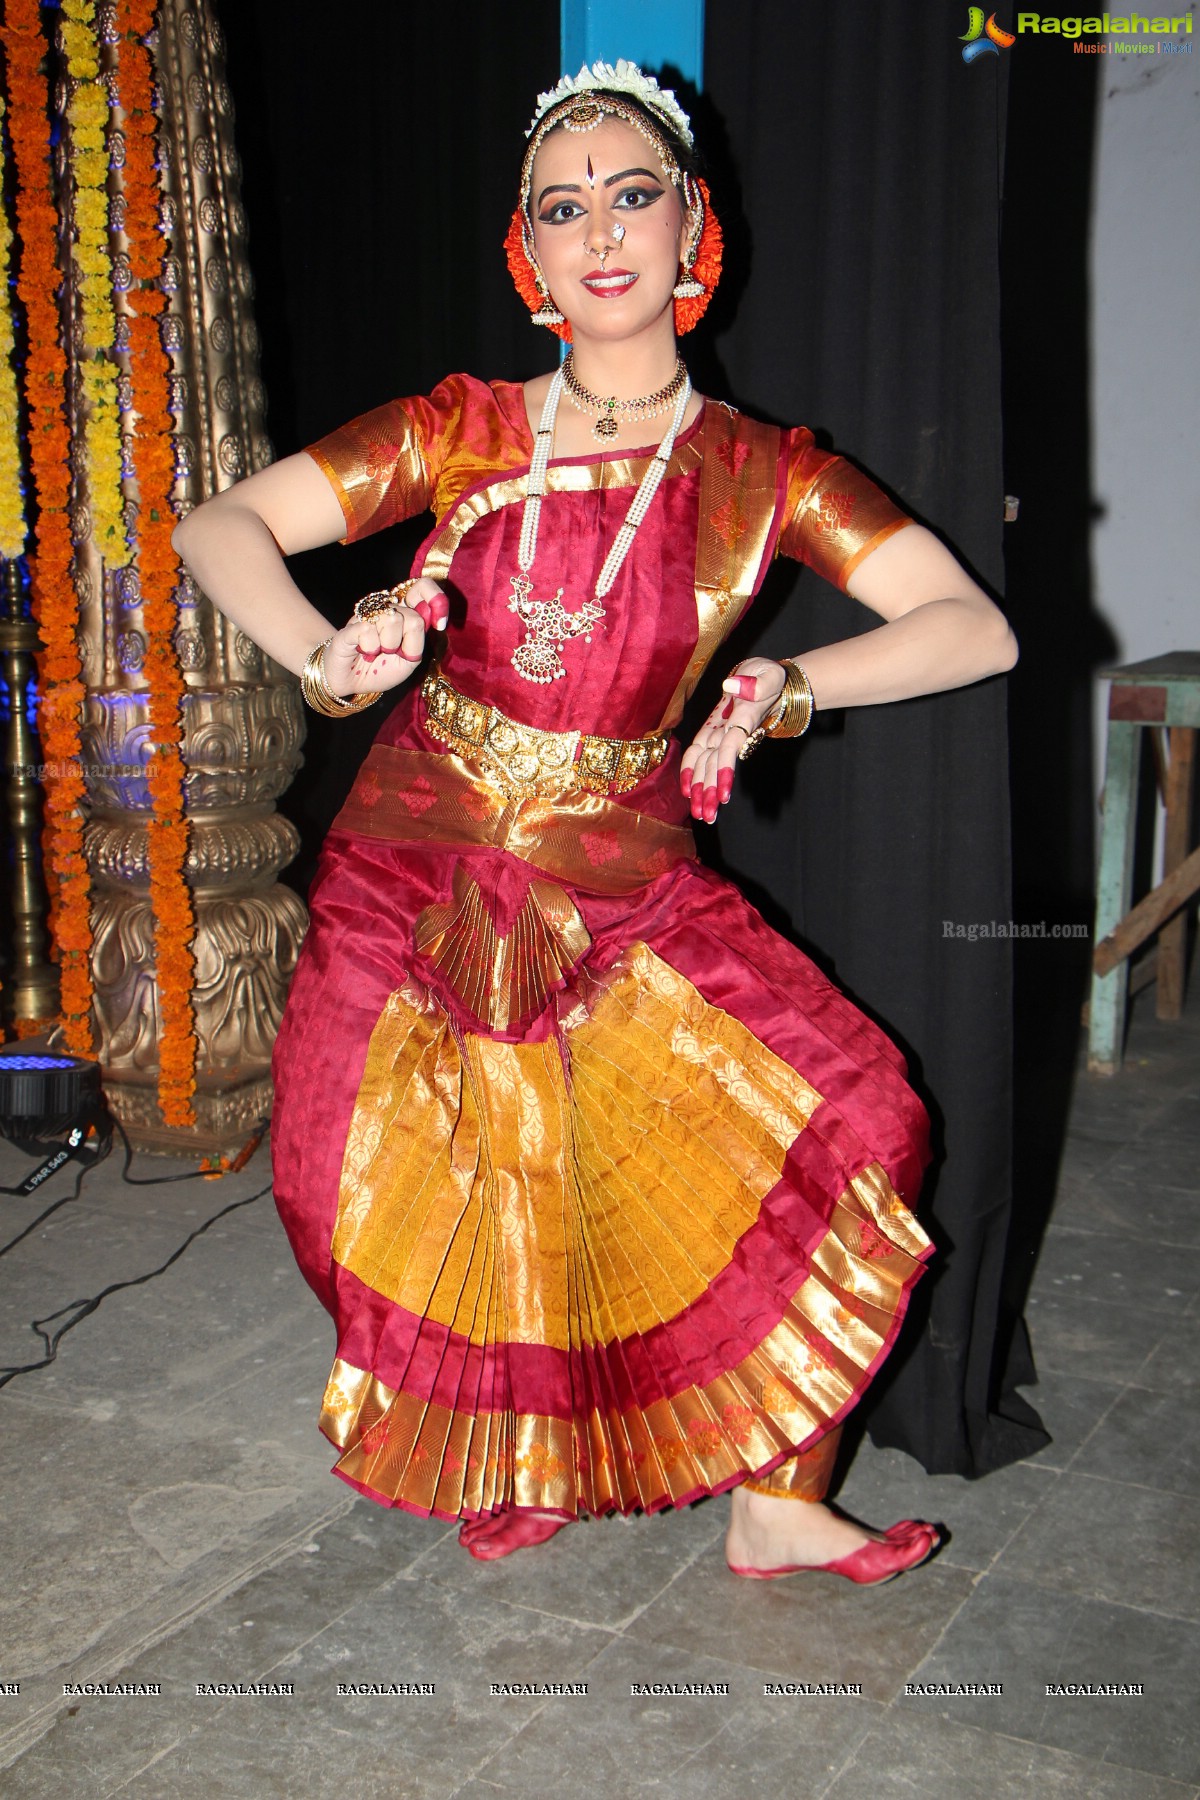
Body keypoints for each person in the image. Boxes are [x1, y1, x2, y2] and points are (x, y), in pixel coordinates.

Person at [174, 61, 1016, 1583]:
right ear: (530, 251)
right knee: (372, 1189)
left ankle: (777, 1499)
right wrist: (327, 654)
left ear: (696, 225)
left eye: (634, 194)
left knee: (863, 1123)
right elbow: (217, 526)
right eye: (565, 207)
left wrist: (789, 680)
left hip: (621, 876)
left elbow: (972, 628)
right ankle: (525, 1446)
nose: (601, 230)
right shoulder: (463, 426)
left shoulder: (766, 472)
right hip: (409, 870)